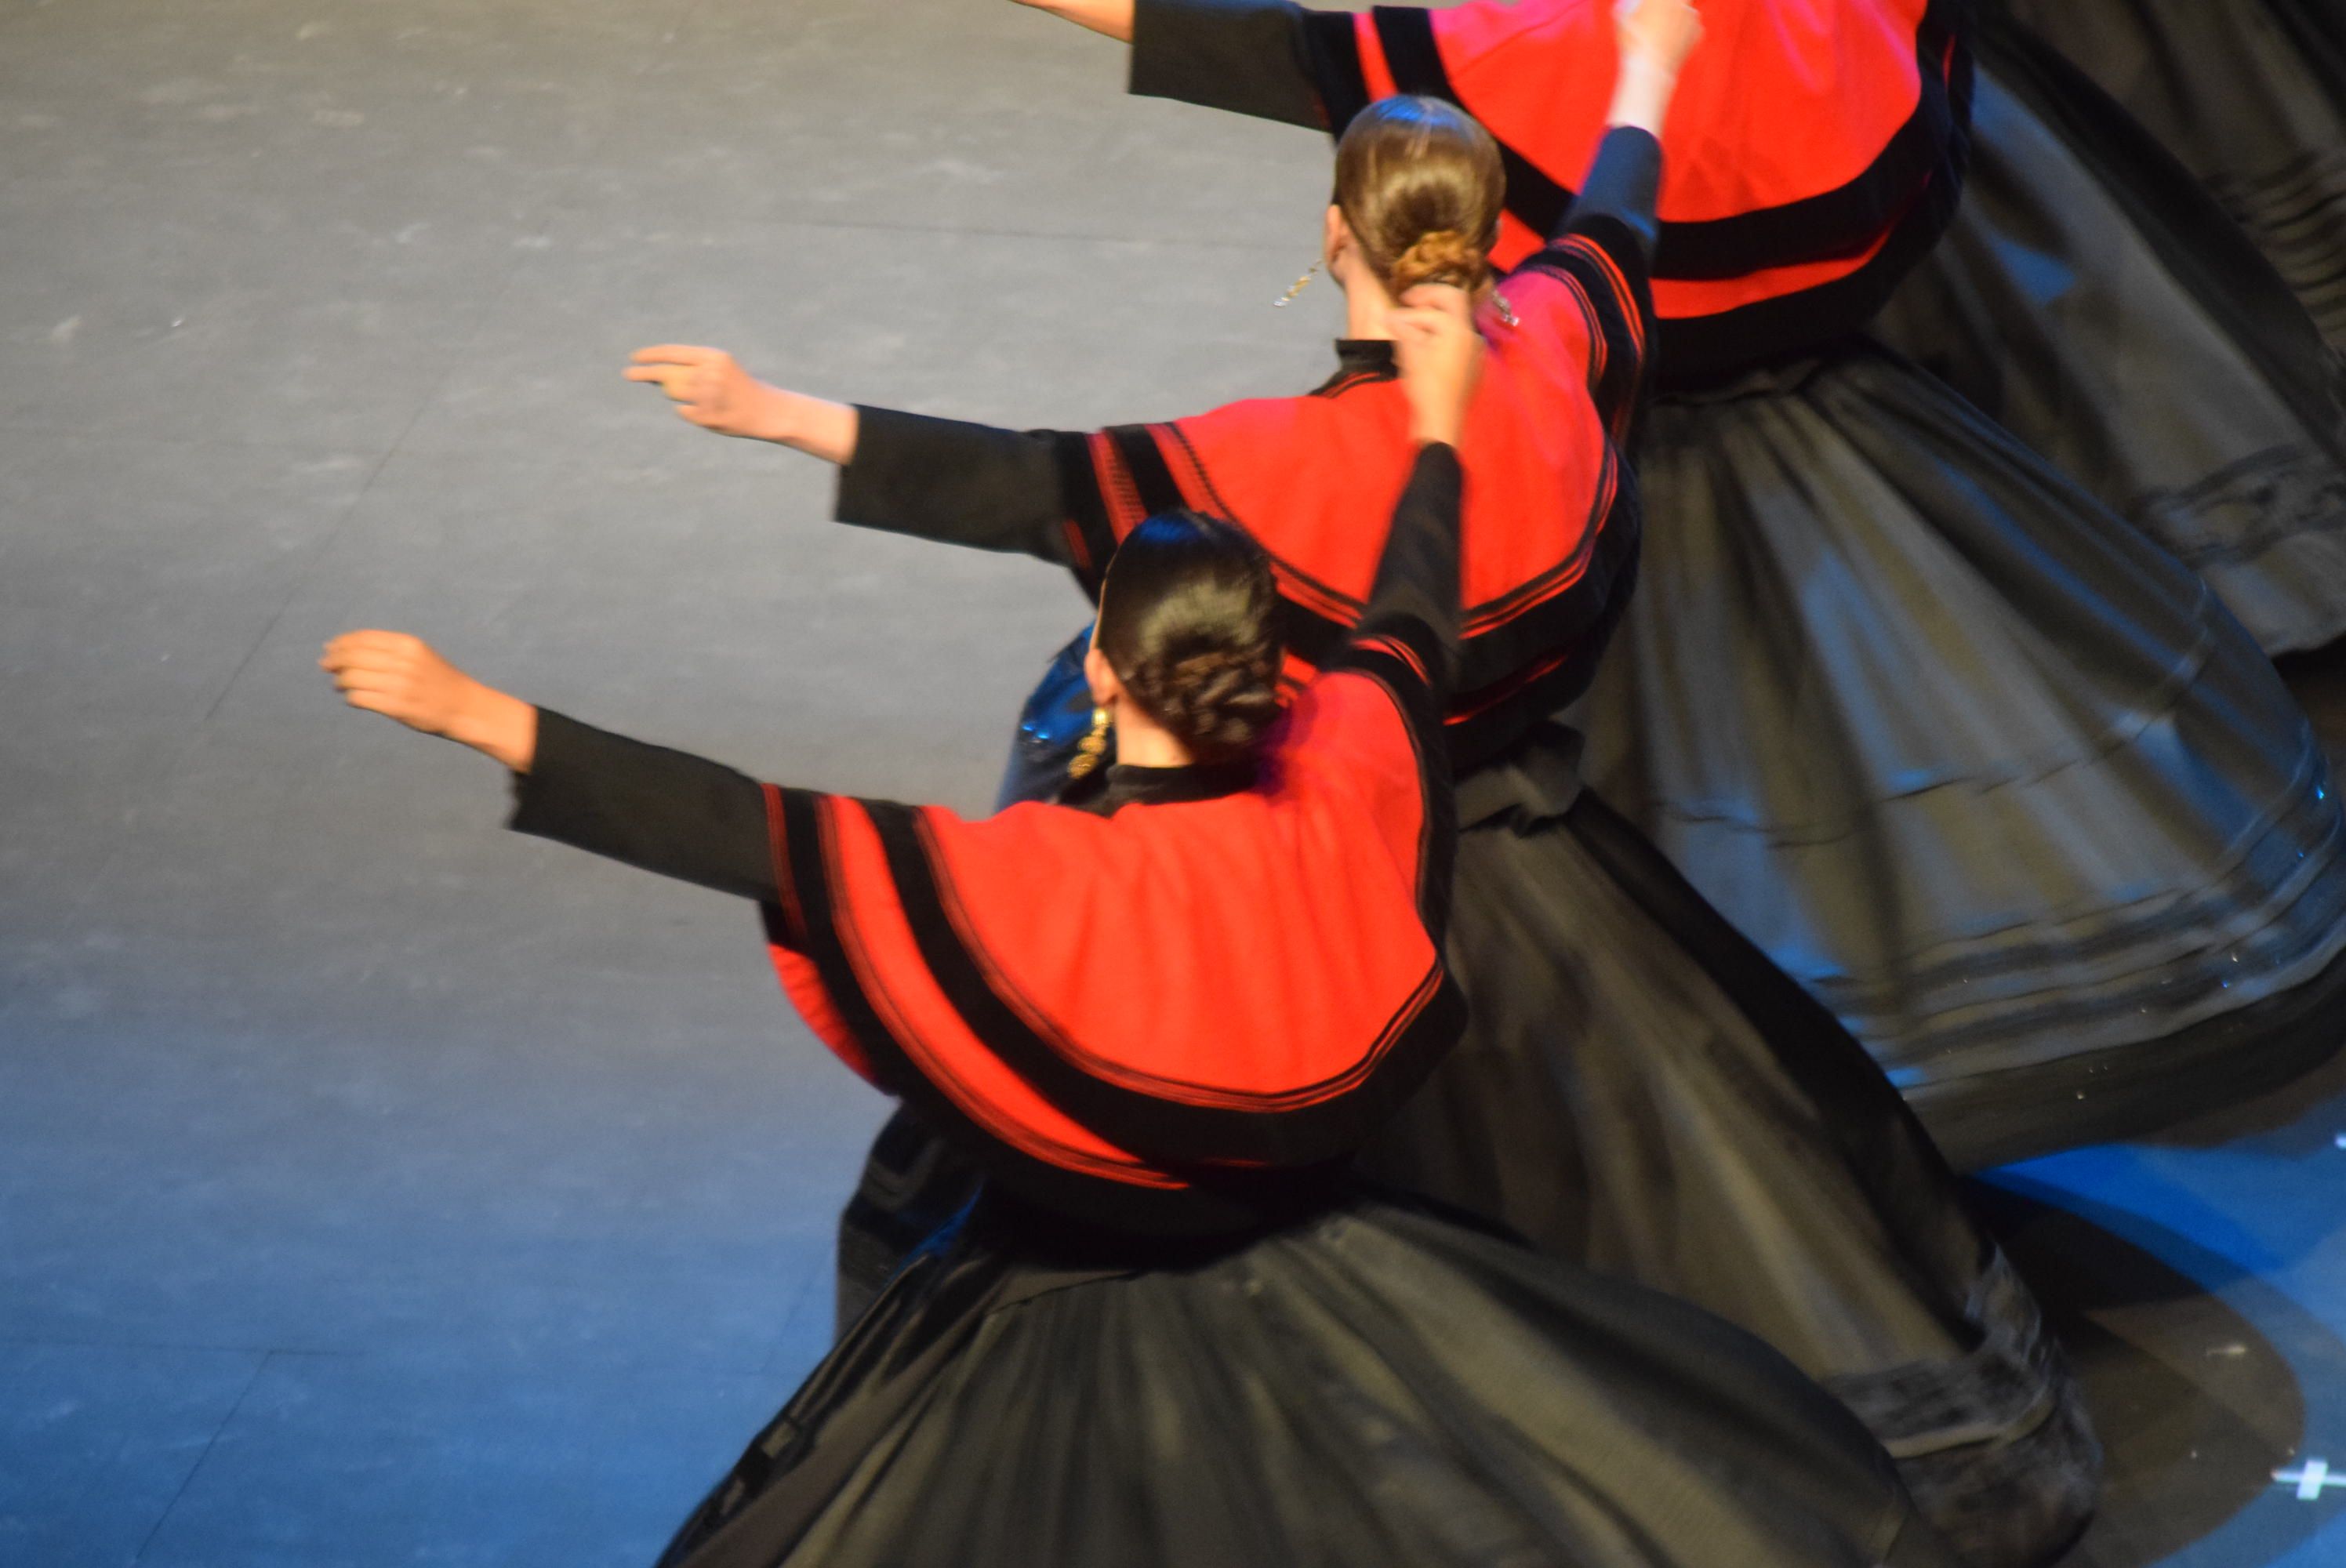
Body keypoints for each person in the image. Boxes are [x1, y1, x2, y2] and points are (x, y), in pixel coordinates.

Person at [627, 9, 2101, 1562]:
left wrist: (775, 411)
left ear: (1332, 235)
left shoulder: (1263, 462)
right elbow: (1615, 209)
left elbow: (1023, 483)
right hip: (1545, 866)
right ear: (1484, 239)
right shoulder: (1566, 352)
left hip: (1337, 863)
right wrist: (1648, 75)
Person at [321, 292, 1957, 1568]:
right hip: (1333, 1282)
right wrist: (1442, 425)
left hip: (1066, 1316)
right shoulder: (1354, 775)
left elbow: (737, 823)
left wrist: (481, 714)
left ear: (1099, 677)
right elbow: (1408, 602)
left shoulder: (1034, 884)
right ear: (1265, 679)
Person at [982, 0, 2346, 1161]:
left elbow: (1267, 45)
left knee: (1609, 826)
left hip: (1583, 486)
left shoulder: (1516, 60)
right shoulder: (1851, 33)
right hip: (1856, 465)